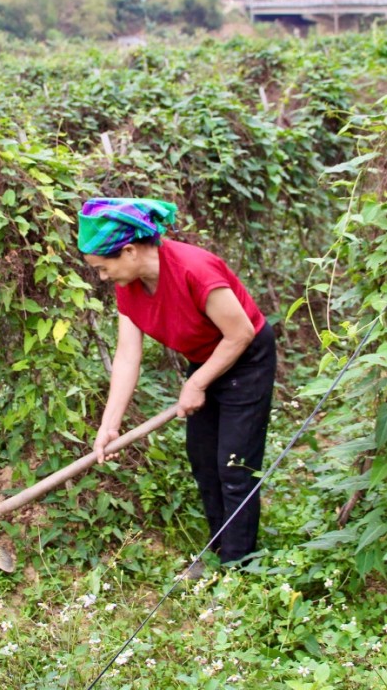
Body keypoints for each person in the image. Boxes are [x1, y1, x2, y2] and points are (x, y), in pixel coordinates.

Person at [79, 198, 277, 565]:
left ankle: (240, 568)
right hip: (206, 360)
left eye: (103, 269)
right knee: (204, 462)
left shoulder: (194, 269)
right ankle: (220, 552)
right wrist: (109, 425)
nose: (104, 278)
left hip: (247, 359)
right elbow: (126, 356)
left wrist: (197, 383)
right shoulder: (130, 285)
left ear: (129, 250)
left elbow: (240, 333)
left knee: (234, 467)